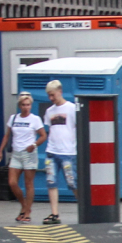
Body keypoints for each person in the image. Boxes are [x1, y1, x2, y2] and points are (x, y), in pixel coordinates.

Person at [0, 93, 46, 224]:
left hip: (29, 153)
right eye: (23, 105)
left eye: (28, 105)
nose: (26, 107)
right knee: (12, 182)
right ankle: (24, 205)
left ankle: (27, 211)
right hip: (16, 153)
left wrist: (34, 145)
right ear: (19, 106)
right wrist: (0, 151)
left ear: (31, 105)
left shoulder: (35, 119)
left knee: (29, 184)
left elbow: (43, 135)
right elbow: (7, 136)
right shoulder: (13, 118)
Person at [41, 80, 77, 225]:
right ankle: (54, 213)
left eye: (53, 95)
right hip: (52, 150)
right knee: (51, 182)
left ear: (60, 92)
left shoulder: (72, 108)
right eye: (49, 95)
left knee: (72, 181)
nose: (51, 98)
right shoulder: (49, 111)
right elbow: (50, 129)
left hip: (68, 151)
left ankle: (84, 206)